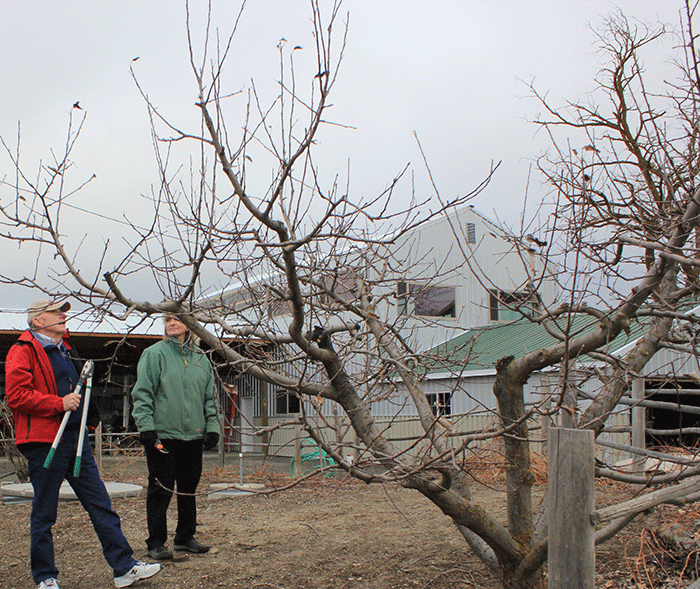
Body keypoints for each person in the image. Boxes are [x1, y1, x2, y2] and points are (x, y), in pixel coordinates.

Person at [5, 298, 161, 589]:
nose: (64, 317)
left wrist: (89, 420)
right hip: (44, 442)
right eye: (56, 313)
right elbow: (16, 395)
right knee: (44, 511)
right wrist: (58, 403)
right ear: (38, 320)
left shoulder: (66, 350)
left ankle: (124, 567)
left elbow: (80, 391)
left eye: (63, 312)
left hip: (76, 442)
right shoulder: (22, 351)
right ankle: (45, 576)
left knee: (100, 504)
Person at [131, 313, 219, 561]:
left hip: (193, 436)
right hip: (163, 436)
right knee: (161, 489)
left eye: (177, 319)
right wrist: (146, 428)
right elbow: (143, 393)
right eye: (168, 319)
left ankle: (184, 538)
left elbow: (210, 398)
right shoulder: (154, 354)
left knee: (188, 489)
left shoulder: (201, 359)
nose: (171, 323)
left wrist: (213, 427)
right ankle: (156, 542)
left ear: (190, 325)